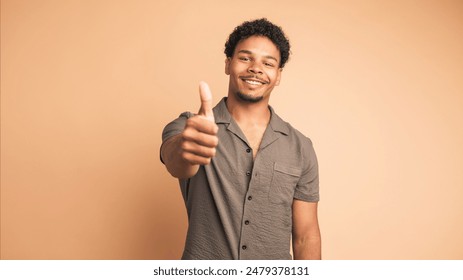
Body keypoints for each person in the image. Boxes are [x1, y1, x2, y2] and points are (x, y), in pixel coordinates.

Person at [160, 18, 320, 260]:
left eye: (268, 63)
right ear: (228, 64)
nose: (256, 68)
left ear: (278, 75)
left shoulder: (301, 147)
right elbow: (176, 162)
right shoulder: (189, 127)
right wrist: (186, 147)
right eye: (245, 58)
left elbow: (306, 235)